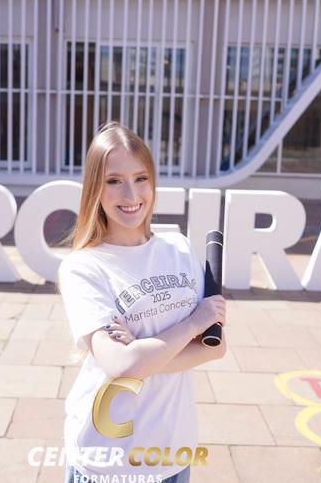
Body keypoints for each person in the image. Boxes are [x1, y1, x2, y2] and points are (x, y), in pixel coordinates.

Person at [57, 121, 227, 483]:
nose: (131, 193)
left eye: (141, 178)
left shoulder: (179, 248)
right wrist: (192, 324)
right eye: (113, 181)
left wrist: (142, 354)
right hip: (108, 459)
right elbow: (121, 365)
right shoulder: (83, 267)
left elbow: (215, 347)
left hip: (173, 451)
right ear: (94, 188)